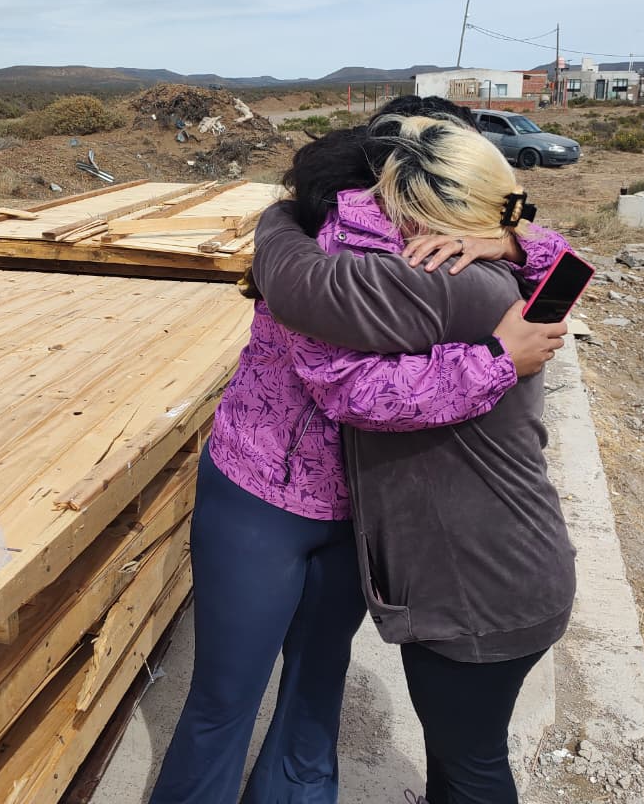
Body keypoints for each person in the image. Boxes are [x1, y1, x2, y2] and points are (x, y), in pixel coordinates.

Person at [148, 107, 568, 804]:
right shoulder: (333, 259)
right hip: (260, 496)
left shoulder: (451, 257)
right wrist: (497, 358)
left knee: (316, 686)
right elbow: (349, 389)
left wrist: (515, 244)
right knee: (225, 697)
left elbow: (566, 269)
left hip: (359, 512)